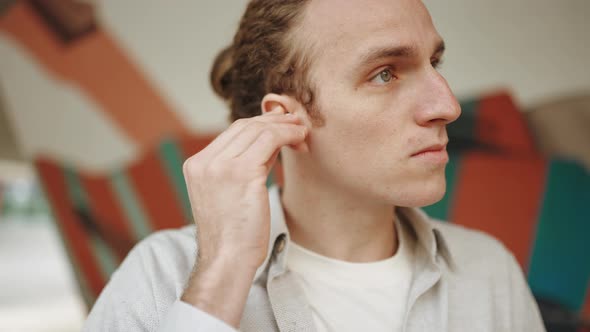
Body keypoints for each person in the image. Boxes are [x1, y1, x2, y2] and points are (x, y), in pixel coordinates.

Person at [83, 0, 546, 331]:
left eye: (434, 61)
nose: (446, 105)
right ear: (286, 118)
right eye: (385, 72)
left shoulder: (488, 272)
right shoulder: (161, 274)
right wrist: (220, 275)